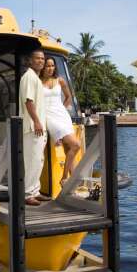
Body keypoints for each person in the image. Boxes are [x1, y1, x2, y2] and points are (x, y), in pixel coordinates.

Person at [40, 57, 80, 185]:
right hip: (49, 117)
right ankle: (63, 178)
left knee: (69, 149)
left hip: (62, 115)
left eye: (52, 66)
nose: (50, 68)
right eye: (47, 66)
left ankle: (72, 182)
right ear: (43, 67)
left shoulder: (60, 80)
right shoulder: (38, 82)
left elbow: (69, 96)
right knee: (76, 145)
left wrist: (63, 108)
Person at [19, 50, 52, 206]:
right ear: (30, 61)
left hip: (39, 127)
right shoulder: (28, 77)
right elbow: (28, 101)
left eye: (42, 59)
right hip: (33, 127)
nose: (40, 61)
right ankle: (27, 194)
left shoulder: (35, 78)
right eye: (37, 58)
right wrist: (37, 121)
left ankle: (35, 191)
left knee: (38, 160)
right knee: (32, 161)